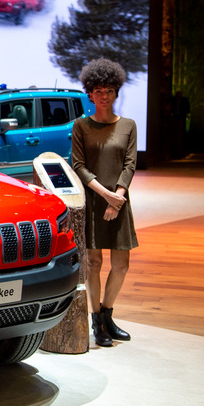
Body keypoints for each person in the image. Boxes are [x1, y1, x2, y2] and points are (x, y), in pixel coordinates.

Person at [71, 58, 139, 347]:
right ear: (89, 93)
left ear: (116, 93)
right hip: (96, 201)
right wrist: (105, 195)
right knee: (95, 262)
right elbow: (79, 165)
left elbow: (130, 164)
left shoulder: (128, 125)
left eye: (109, 90)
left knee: (121, 263)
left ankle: (108, 316)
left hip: (119, 202)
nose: (103, 96)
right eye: (98, 90)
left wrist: (118, 197)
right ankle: (97, 322)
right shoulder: (81, 126)